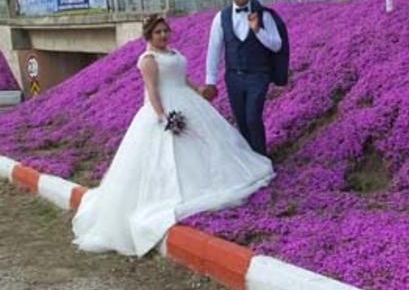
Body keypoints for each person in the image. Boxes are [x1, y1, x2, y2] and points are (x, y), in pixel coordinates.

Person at [72, 15, 274, 257]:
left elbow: (181, 77)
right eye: (157, 33)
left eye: (165, 31)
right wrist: (162, 117)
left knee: (207, 146)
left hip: (188, 101)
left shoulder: (172, 52)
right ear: (148, 36)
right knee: (170, 159)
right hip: (166, 108)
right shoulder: (148, 60)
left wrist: (198, 89)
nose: (163, 36)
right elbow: (153, 91)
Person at [201, 0, 284, 156]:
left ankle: (262, 158)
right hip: (234, 77)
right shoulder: (220, 18)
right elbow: (214, 49)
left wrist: (258, 30)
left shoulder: (264, 15)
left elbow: (277, 45)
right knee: (241, 121)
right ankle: (250, 160)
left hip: (258, 75)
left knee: (253, 117)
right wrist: (210, 81)